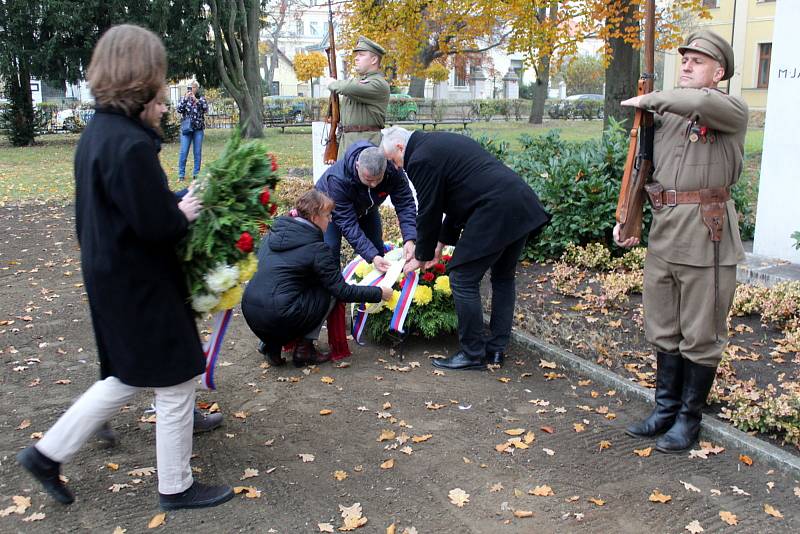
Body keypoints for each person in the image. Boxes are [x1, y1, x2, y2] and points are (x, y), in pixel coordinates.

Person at [16, 25, 233, 511]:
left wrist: (171, 202)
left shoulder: (99, 133)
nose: (163, 86)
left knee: (130, 374)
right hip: (141, 279)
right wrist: (182, 214)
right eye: (158, 75)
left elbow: (122, 208)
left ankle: (46, 454)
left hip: (112, 273)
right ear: (142, 78)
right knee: (176, 375)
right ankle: (175, 486)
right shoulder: (131, 144)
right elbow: (155, 225)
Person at [614, 30, 747, 453]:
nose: (687, 66)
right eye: (684, 60)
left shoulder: (729, 109)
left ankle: (689, 420)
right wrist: (627, 217)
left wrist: (649, 99)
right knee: (663, 327)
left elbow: (701, 103)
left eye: (698, 61)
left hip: (707, 234)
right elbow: (644, 170)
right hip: (665, 230)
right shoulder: (667, 116)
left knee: (701, 332)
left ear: (719, 71)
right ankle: (665, 409)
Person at [381, 127, 550, 370]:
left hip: (494, 209)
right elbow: (453, 199)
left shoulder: (419, 159)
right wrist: (439, 244)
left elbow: (429, 210)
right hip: (518, 201)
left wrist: (422, 255)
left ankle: (472, 353)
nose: (397, 167)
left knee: (461, 278)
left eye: (394, 161)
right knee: (502, 278)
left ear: (400, 148)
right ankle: (495, 350)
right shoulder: (438, 143)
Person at [242, 190, 392, 367]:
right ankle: (304, 349)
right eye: (328, 215)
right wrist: (379, 292)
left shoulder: (272, 234)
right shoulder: (317, 249)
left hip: (250, 310)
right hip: (281, 315)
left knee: (286, 291)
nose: (330, 220)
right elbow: (342, 291)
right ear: (314, 217)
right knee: (328, 289)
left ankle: (271, 345)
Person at [316, 142, 417, 271]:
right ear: (357, 166)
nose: (374, 185)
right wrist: (372, 256)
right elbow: (348, 224)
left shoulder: (393, 170)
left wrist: (410, 238)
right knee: (330, 251)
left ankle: (378, 287)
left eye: (378, 179)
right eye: (368, 180)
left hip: (366, 208)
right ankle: (332, 288)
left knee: (377, 248)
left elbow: (405, 203)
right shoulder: (338, 180)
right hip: (329, 211)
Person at [326, 36, 390, 161]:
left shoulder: (378, 83)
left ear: (374, 59)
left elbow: (349, 88)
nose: (356, 58)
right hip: (347, 145)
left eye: (361, 54)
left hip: (365, 148)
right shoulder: (357, 82)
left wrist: (332, 83)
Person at [176, 80, 208, 181]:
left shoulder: (201, 99)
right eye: (190, 87)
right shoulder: (184, 98)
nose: (192, 89)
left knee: (197, 152)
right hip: (186, 130)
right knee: (183, 152)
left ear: (197, 88)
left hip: (198, 129)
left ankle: (196, 174)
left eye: (194, 87)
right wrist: (186, 99)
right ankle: (181, 175)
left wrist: (196, 100)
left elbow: (205, 109)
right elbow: (179, 109)